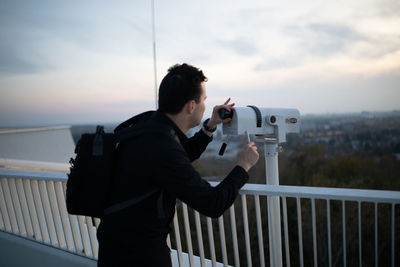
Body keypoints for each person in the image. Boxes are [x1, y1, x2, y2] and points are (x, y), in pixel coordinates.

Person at [97, 63, 259, 267]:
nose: (204, 107)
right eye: (204, 101)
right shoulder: (162, 145)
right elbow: (213, 203)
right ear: (191, 106)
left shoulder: (148, 126)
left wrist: (210, 126)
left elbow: (176, 159)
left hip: (114, 247)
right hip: (139, 255)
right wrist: (243, 165)